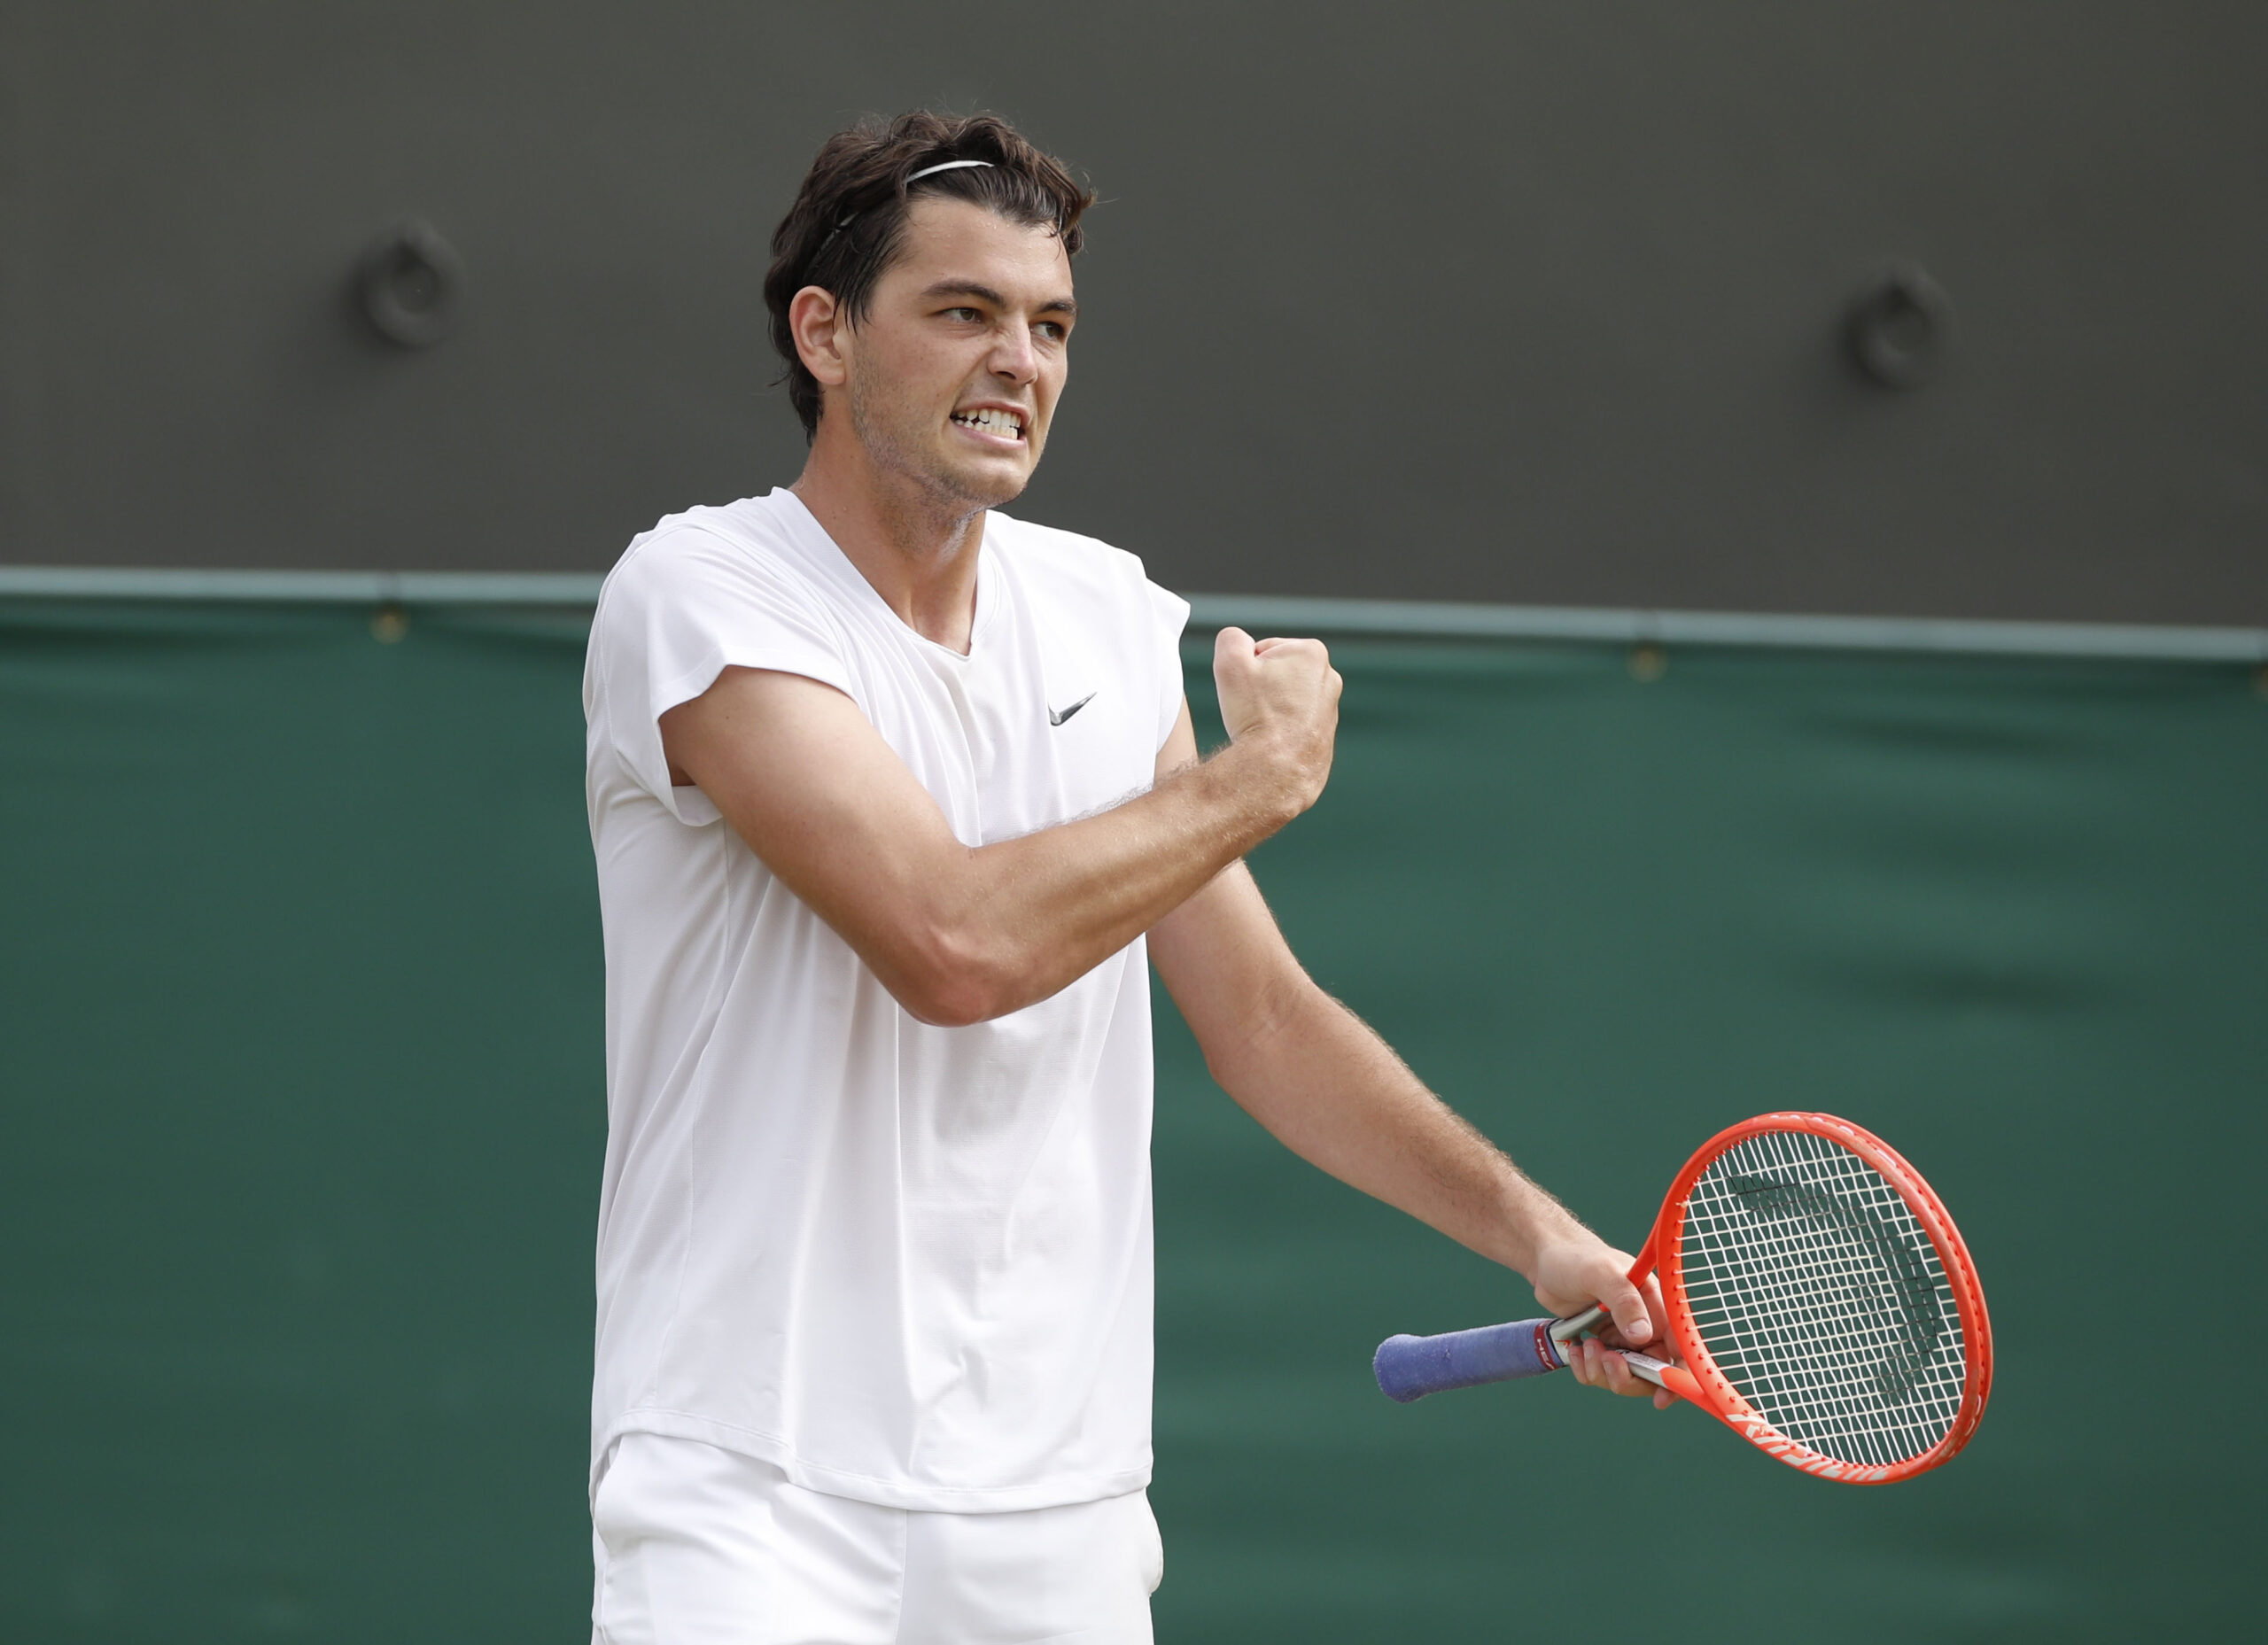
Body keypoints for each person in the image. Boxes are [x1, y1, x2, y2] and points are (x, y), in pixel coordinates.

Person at [580, 109, 1668, 1645]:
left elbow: (1267, 1022)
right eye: (964, 312)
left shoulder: (1100, 617)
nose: (1019, 360)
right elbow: (952, 944)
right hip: (751, 1494)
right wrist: (1260, 777)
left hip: (1059, 1517)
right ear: (824, 333)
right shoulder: (700, 595)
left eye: (1051, 325)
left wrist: (1541, 1234)